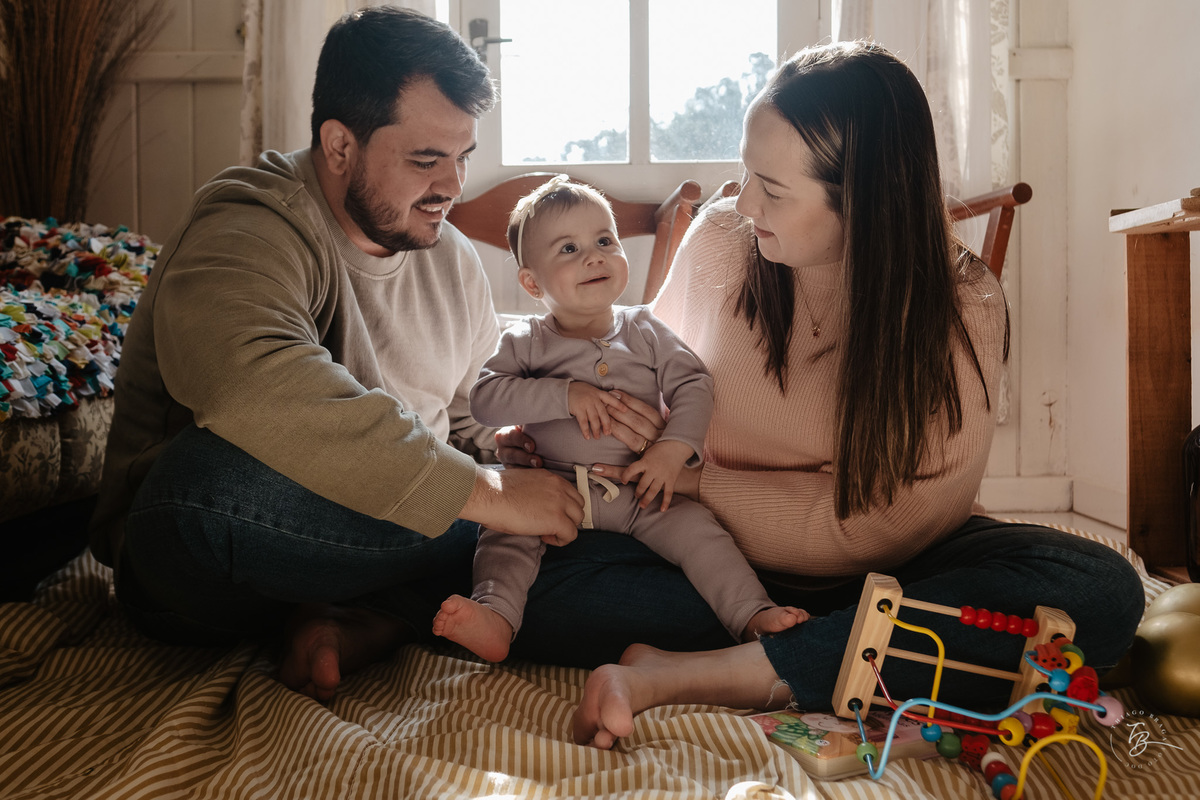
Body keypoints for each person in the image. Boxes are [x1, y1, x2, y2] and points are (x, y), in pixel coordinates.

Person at [491, 42, 1144, 747]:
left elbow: (896, 523)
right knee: (498, 553)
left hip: (884, 577)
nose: (742, 202)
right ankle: (816, 654)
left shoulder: (962, 303)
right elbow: (639, 375)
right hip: (715, 565)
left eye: (772, 189)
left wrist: (696, 484)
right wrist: (554, 430)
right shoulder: (721, 239)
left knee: (1099, 591)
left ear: (863, 199)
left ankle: (703, 673)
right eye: (745, 173)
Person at [88, 6, 588, 703]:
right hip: (210, 558)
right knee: (202, 484)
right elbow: (249, 386)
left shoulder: (452, 259)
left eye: (462, 156)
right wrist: (493, 499)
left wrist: (511, 453)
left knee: (572, 511)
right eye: (424, 159)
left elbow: (467, 418)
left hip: (364, 546)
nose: (451, 185)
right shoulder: (248, 224)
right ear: (339, 144)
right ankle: (412, 593)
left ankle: (369, 618)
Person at [431, 176, 807, 662]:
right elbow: (485, 399)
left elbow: (694, 384)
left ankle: (752, 614)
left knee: (701, 533)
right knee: (503, 531)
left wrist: (674, 451)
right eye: (568, 248)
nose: (594, 256)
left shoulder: (645, 329)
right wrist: (564, 395)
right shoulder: (526, 341)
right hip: (548, 490)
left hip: (637, 491)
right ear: (531, 282)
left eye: (605, 240)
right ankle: (497, 616)